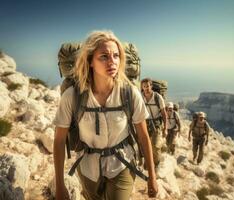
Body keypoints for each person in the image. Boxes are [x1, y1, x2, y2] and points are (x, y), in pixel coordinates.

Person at [53, 30, 158, 200]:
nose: (112, 62)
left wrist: (152, 177)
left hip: (122, 164)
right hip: (88, 169)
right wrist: (59, 185)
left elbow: (143, 135)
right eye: (104, 56)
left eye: (116, 56)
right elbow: (58, 141)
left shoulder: (130, 93)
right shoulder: (72, 96)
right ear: (90, 61)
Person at [141, 78, 167, 167]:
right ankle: (147, 163)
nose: (146, 88)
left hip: (156, 124)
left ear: (151, 86)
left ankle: (156, 164)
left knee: (155, 146)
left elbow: (164, 113)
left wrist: (165, 128)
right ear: (142, 87)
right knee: (144, 145)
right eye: (144, 86)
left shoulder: (157, 97)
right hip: (144, 123)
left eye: (148, 86)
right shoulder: (140, 97)